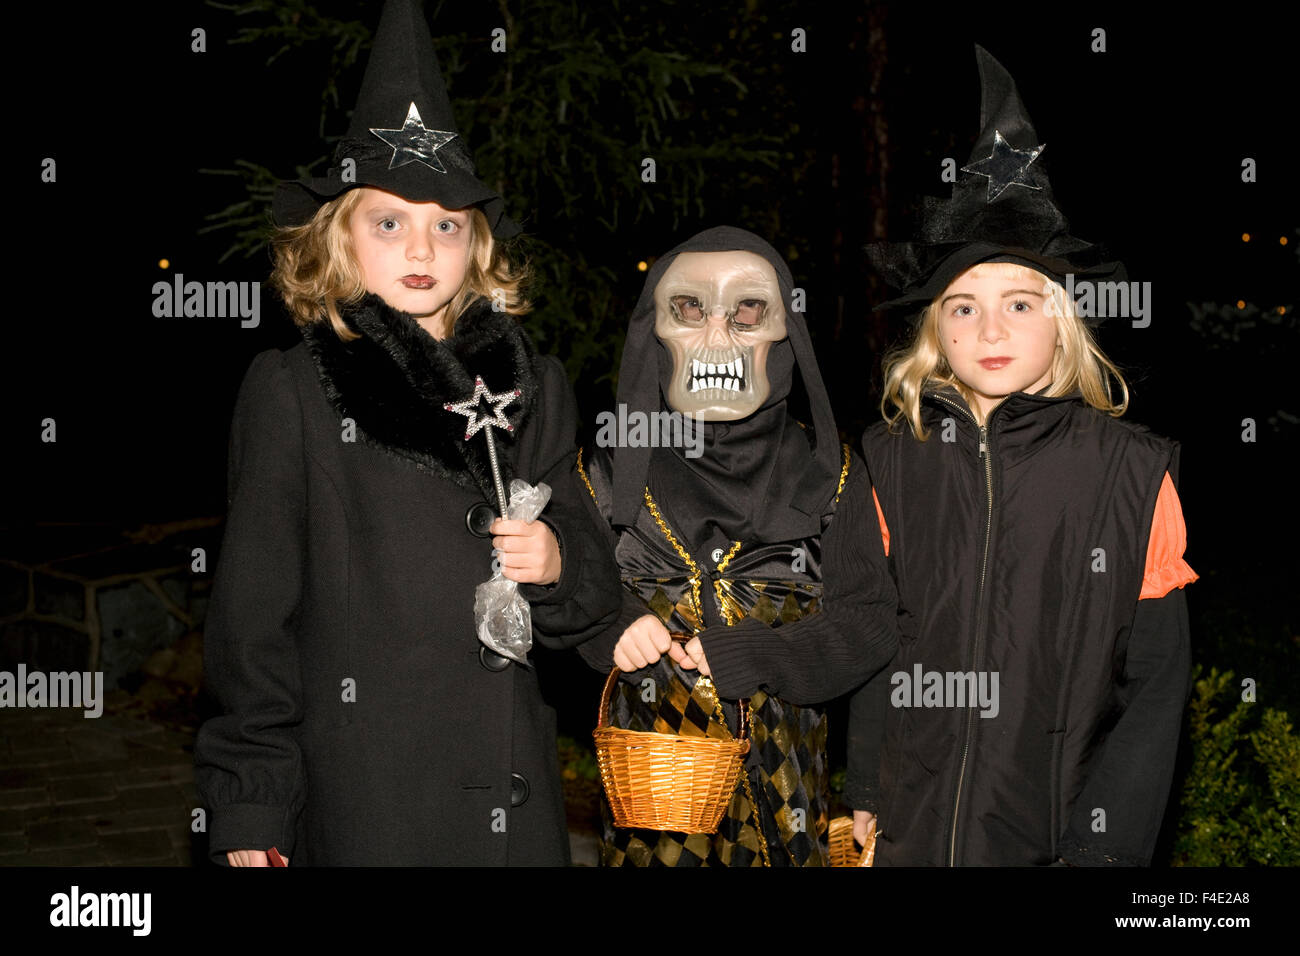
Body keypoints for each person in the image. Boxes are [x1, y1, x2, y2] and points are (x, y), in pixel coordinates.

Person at [193, 0, 620, 866]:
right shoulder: (296, 392)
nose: (420, 244)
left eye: (447, 225)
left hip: (512, 789)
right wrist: (253, 806)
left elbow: (587, 573)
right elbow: (252, 625)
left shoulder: (531, 385)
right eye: (389, 221)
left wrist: (561, 561)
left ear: (477, 247)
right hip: (370, 799)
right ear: (340, 238)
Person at [845, 46, 1196, 866]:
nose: (990, 331)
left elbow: (1154, 690)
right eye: (962, 308)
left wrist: (1103, 849)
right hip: (911, 830)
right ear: (934, 334)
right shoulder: (891, 462)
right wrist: (865, 788)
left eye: (1018, 303)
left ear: (1064, 321)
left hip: (1056, 837)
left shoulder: (1130, 475)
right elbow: (877, 639)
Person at [576, 226, 899, 866]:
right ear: (655, 333)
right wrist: (610, 622)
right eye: (689, 310)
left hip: (789, 807)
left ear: (785, 335)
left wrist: (766, 656)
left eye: (748, 312)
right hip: (655, 823)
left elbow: (871, 625)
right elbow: (561, 595)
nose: (718, 337)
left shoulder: (834, 475)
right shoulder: (606, 473)